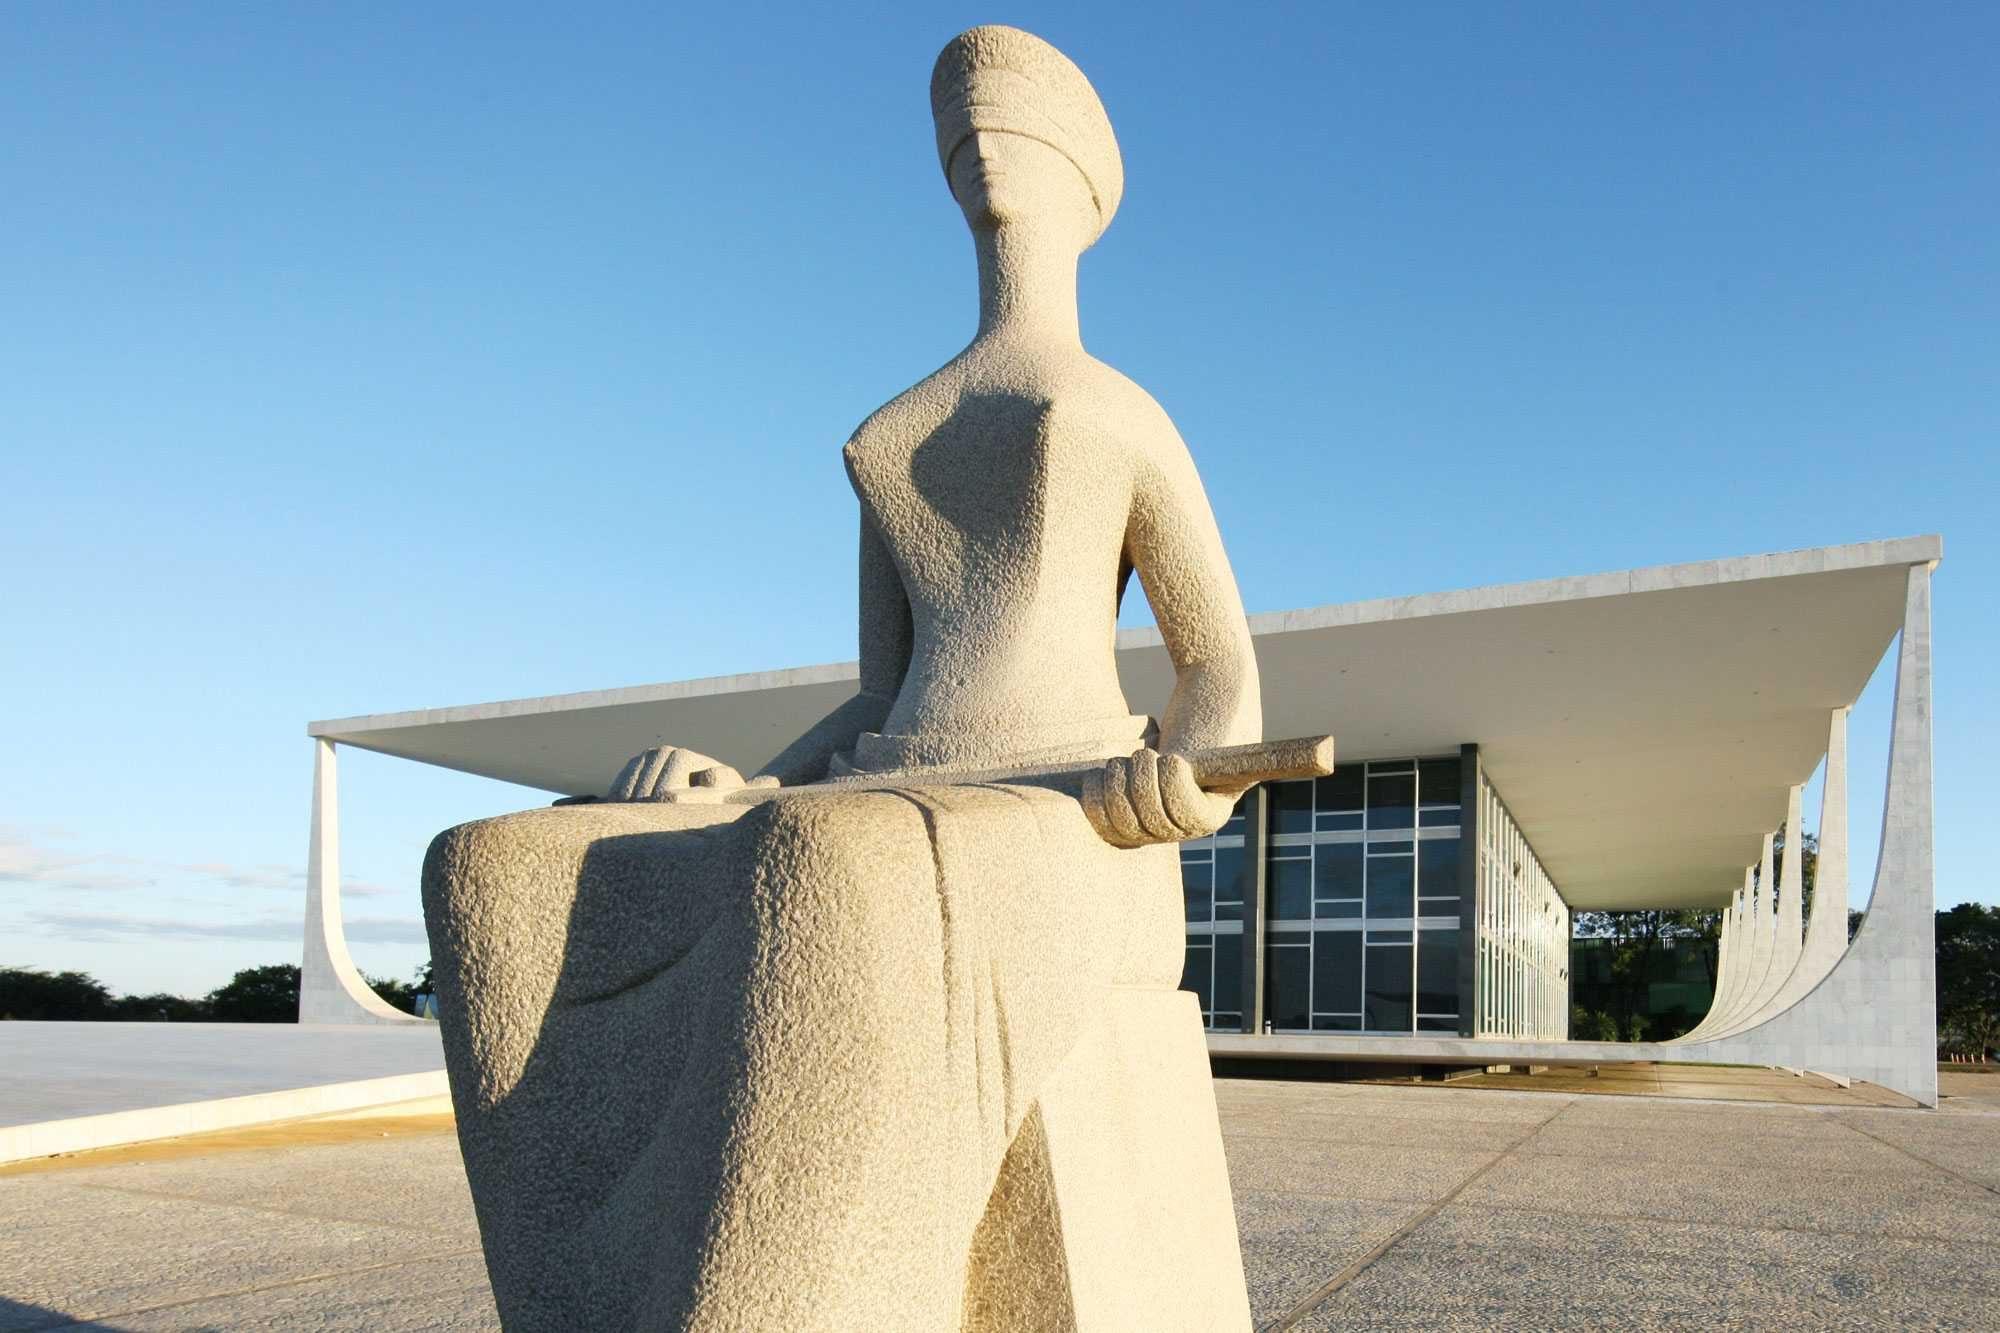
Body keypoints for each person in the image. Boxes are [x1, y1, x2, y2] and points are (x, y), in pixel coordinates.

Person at [425, 27, 1260, 1329]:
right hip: (885, 794)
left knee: (825, 871)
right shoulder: (894, 429)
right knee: (493, 869)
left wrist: (1181, 773)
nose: (986, 147)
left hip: (1073, 822)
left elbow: (1223, 681)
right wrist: (748, 779)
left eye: (1018, 130)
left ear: (1086, 185)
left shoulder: (1118, 414)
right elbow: (881, 699)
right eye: (964, 132)